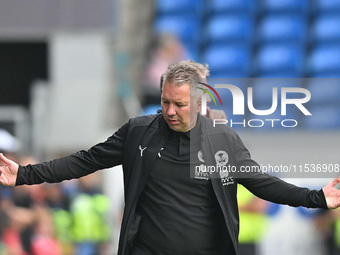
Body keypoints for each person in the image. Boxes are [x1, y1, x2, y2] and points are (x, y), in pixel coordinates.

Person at [1, 61, 340, 255]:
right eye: (165, 102)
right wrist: (24, 174)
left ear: (198, 102)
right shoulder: (138, 132)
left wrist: (316, 198)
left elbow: (262, 184)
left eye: (178, 104)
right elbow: (85, 161)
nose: (170, 111)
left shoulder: (222, 140)